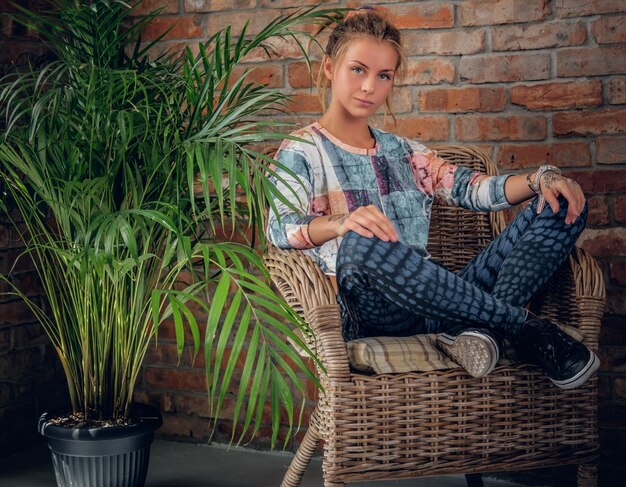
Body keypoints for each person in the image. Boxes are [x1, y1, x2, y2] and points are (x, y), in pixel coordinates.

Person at [266, 7, 599, 389]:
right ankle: (524, 327)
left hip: (440, 302)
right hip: (375, 311)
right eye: (357, 69)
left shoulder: (407, 153)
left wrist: (543, 178)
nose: (369, 87)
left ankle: (478, 334)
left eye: (383, 75)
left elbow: (475, 190)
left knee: (560, 204)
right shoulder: (301, 150)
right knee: (359, 243)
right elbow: (280, 228)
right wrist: (341, 223)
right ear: (329, 68)